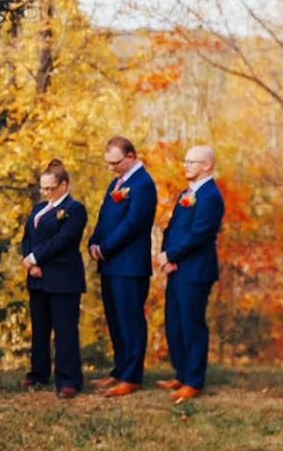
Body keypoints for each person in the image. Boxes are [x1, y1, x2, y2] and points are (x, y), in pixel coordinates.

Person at [88, 136, 157, 397]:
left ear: (131, 156)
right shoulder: (115, 184)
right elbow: (105, 217)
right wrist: (94, 241)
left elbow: (134, 223)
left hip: (129, 265)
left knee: (130, 321)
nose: (112, 168)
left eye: (116, 162)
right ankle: (118, 370)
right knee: (115, 320)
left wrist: (106, 248)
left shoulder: (143, 184)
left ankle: (132, 376)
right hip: (110, 265)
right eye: (108, 163)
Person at [159, 145, 224, 404]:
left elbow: (200, 234)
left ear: (207, 165)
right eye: (185, 161)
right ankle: (182, 373)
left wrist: (172, 256)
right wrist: (167, 257)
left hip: (196, 270)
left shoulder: (210, 196)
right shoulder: (187, 193)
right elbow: (173, 228)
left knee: (192, 324)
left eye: (192, 162)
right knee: (174, 322)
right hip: (177, 267)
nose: (185, 165)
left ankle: (194, 381)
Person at [18, 160, 87, 399]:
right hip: (37, 276)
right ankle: (39, 372)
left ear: (63, 185)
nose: (46, 193)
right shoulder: (38, 209)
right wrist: (28, 259)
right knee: (40, 328)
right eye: (43, 188)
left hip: (63, 276)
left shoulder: (75, 209)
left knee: (65, 329)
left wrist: (36, 258)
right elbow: (27, 236)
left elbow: (63, 240)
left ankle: (69, 379)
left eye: (50, 188)